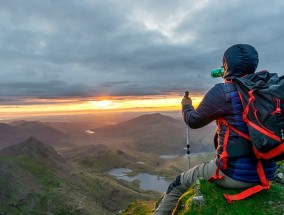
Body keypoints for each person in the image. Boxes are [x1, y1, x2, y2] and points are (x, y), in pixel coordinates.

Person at [154, 44, 276, 215]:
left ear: (226, 65)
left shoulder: (223, 92)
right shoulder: (269, 90)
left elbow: (193, 121)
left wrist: (186, 106)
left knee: (178, 183)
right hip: (268, 171)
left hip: (235, 175)